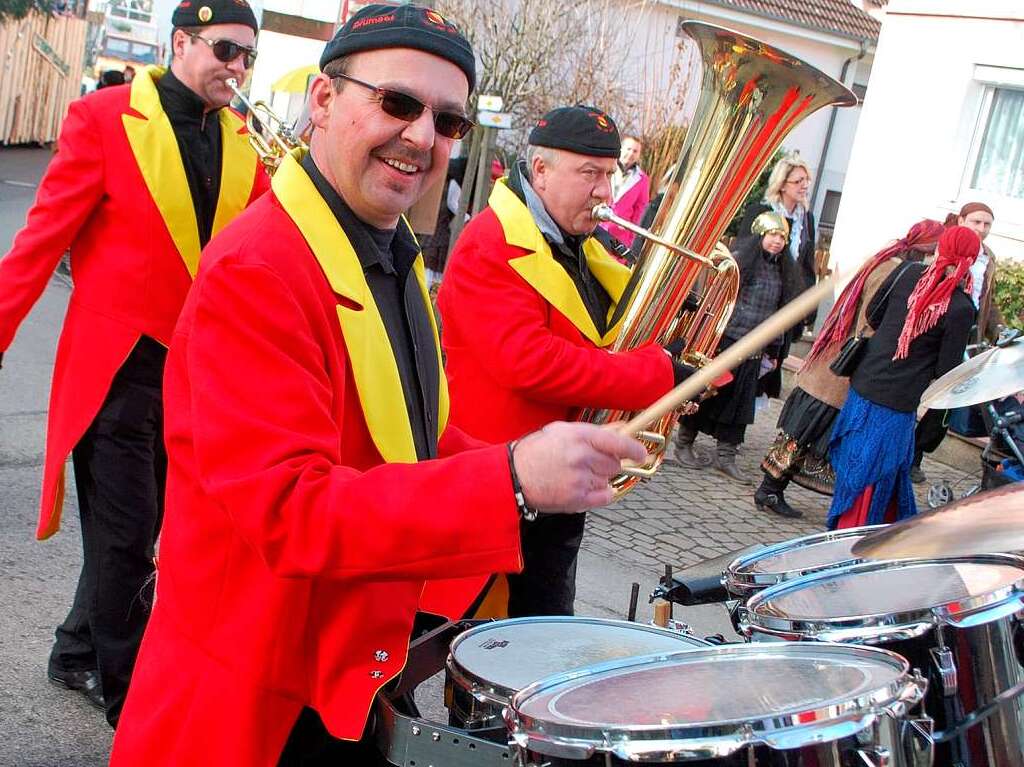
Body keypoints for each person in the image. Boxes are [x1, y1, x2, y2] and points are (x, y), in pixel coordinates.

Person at [108, 7, 647, 765]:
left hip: (343, 671)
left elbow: (405, 434)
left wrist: (537, 456)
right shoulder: (257, 270)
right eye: (398, 103)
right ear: (324, 102)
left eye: (448, 119)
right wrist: (510, 478)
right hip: (249, 700)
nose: (424, 136)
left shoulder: (387, 245)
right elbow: (294, 510)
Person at [0, 0, 267, 726]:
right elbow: (38, 242)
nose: (237, 68)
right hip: (112, 372)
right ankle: (134, 701)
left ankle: (76, 648)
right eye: (225, 50)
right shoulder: (103, 119)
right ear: (181, 42)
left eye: (249, 56)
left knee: (138, 530)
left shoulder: (247, 144)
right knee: (127, 537)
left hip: (188, 380)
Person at [429, 105, 692, 619]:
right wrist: (656, 376)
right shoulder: (492, 242)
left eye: (610, 175)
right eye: (589, 174)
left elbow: (598, 339)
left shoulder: (581, 247)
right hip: (494, 468)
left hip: (556, 479)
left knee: (538, 629)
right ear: (541, 171)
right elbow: (528, 361)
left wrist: (691, 365)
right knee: (441, 620)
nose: (604, 193)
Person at [755, 219, 945, 518]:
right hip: (841, 368)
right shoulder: (893, 268)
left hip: (836, 362)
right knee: (802, 433)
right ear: (928, 247)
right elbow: (869, 320)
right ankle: (769, 489)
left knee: (804, 433)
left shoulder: (888, 260)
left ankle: (774, 489)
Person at [827, 226, 979, 529]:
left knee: (860, 462)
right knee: (878, 470)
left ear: (941, 248)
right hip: (899, 402)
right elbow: (946, 370)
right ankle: (854, 534)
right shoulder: (961, 306)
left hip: (865, 381)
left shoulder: (907, 272)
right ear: (971, 259)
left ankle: (869, 527)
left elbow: (873, 314)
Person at [675, 211, 802, 481]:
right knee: (706, 396)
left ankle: (726, 456)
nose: (777, 241)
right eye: (772, 235)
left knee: (739, 407)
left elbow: (778, 316)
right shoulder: (741, 264)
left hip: (754, 349)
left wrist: (775, 350)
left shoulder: (783, 273)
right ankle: (683, 443)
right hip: (727, 341)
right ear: (760, 236)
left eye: (782, 236)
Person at [911, 201, 1003, 483]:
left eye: (987, 224)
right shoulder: (943, 244)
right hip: (935, 328)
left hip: (966, 331)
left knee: (946, 401)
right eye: (976, 222)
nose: (982, 229)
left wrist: (998, 333)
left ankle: (915, 455)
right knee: (921, 394)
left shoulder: (987, 257)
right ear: (961, 220)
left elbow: (986, 300)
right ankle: (900, 449)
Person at [739, 151, 817, 330]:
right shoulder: (759, 211)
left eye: (806, 180)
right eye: (798, 181)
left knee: (775, 355)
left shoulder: (806, 219)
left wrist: (809, 306)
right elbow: (743, 255)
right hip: (755, 299)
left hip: (786, 301)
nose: (804, 186)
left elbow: (806, 265)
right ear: (782, 185)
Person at [600, 134, 650, 255]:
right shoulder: (604, 167)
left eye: (635, 151)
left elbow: (640, 209)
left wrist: (629, 235)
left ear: (639, 155)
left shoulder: (642, 179)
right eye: (628, 149)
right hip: (596, 225)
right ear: (621, 148)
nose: (631, 153)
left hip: (618, 235)